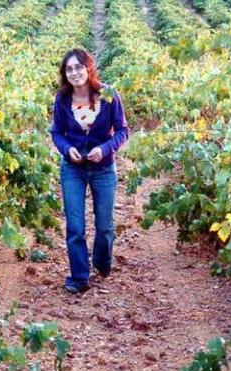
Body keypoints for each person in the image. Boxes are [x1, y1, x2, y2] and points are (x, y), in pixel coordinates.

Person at [50, 48, 129, 294]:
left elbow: (123, 130)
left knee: (104, 226)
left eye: (78, 67)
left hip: (103, 169)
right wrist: (66, 149)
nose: (74, 73)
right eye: (69, 69)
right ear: (65, 74)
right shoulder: (62, 99)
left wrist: (105, 149)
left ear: (88, 68)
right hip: (73, 169)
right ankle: (79, 277)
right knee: (75, 227)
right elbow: (56, 132)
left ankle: (102, 263)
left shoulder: (108, 95)